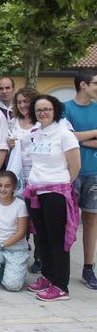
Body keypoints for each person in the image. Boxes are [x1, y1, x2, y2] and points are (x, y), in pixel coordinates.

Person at [25, 95, 80, 302]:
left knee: (57, 239)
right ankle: (48, 276)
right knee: (42, 237)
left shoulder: (65, 134)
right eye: (39, 110)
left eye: (47, 109)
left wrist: (60, 184)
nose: (43, 113)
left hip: (56, 193)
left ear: (55, 110)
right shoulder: (37, 133)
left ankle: (61, 286)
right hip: (35, 192)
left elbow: (75, 166)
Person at [62, 69, 97, 290]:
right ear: (83, 84)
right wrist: (93, 133)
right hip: (70, 173)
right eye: (96, 83)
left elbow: (72, 138)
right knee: (66, 220)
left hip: (94, 172)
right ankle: (59, 265)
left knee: (91, 219)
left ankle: (88, 267)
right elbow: (65, 136)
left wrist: (78, 139)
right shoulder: (65, 108)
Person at [7, 87, 41, 273]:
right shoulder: (13, 122)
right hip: (19, 175)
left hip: (38, 175)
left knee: (38, 216)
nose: (22, 105)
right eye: (19, 102)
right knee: (20, 215)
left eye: (26, 101)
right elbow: (6, 145)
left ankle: (39, 256)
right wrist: (9, 144)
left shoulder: (42, 121)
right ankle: (21, 251)